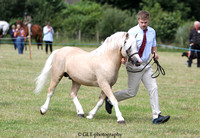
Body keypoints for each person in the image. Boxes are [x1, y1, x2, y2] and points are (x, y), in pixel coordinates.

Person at [105, 11, 170, 124]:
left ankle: (156, 116)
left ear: (148, 20)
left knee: (153, 88)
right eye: (141, 22)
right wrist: (123, 58)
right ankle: (110, 99)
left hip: (146, 65)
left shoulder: (152, 31)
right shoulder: (131, 32)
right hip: (134, 66)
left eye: (145, 22)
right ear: (138, 20)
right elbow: (124, 48)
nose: (144, 24)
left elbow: (153, 46)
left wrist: (154, 54)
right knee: (132, 92)